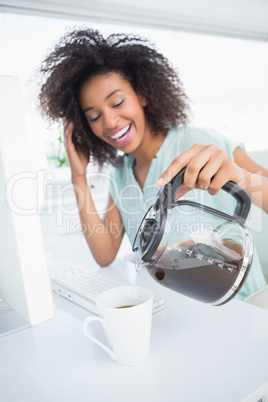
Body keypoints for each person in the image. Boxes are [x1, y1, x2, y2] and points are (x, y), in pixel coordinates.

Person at [38, 28, 268, 300]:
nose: (110, 121)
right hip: (177, 312)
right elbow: (104, 254)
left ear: (143, 95)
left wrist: (241, 177)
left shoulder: (198, 141)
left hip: (241, 307)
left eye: (118, 102)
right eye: (94, 116)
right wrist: (78, 177)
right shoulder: (121, 173)